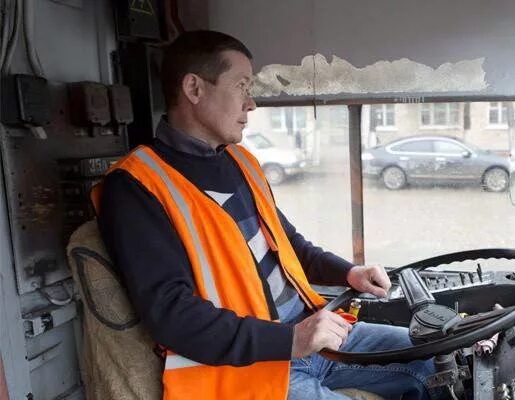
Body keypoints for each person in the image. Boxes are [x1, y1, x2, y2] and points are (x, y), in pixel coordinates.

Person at [94, 30, 442, 400]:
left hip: (307, 336)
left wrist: (348, 272)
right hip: (244, 369)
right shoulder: (136, 187)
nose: (252, 103)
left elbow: (289, 245)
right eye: (242, 86)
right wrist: (291, 340)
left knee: (433, 360)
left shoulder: (241, 162)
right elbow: (173, 316)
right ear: (194, 89)